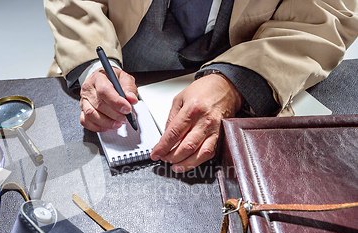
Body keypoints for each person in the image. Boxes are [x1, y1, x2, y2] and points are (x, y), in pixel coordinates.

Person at [44, 0, 358, 172]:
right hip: (115, 59)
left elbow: (329, 13)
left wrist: (235, 82)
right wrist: (97, 67)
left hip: (247, 74)